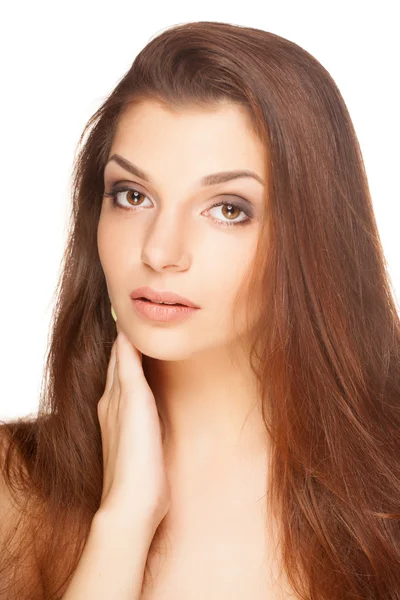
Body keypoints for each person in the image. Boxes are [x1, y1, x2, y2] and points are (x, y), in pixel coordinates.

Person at [1, 20, 399, 600]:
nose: (159, 252)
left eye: (229, 209)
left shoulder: (385, 498)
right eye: (132, 196)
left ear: (313, 240)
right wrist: (122, 524)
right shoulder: (15, 487)